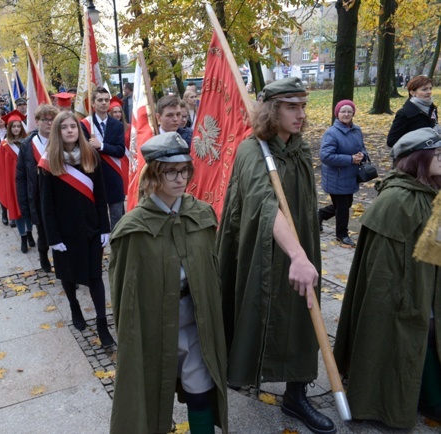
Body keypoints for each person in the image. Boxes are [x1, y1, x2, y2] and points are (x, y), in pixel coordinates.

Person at [216, 77, 335, 434]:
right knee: (257, 309)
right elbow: (264, 204)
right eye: (291, 107)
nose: (300, 114)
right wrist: (297, 254)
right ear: (272, 110)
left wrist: (303, 252)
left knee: (301, 315)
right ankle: (241, 372)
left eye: (303, 106)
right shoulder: (252, 150)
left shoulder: (297, 148)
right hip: (261, 249)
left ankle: (296, 394)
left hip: (299, 246)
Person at [109, 132, 228, 434]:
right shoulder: (133, 229)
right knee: (149, 401)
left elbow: (212, 274)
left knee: (201, 394)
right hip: (154, 328)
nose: (180, 178)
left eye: (185, 170)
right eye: (171, 171)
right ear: (153, 175)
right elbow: (125, 294)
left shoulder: (200, 214)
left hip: (194, 324)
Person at [334, 127, 441, 428]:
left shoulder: (428, 191)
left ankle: (428, 394)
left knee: (430, 327)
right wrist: (410, 300)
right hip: (402, 289)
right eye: (437, 154)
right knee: (417, 329)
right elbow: (384, 270)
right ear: (419, 158)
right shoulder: (397, 201)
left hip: (426, 280)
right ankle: (418, 400)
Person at [38, 111, 114, 347]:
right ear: (57, 132)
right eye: (64, 127)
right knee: (68, 276)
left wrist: (105, 227)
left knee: (95, 277)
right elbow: (46, 206)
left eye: (74, 126)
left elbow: (101, 195)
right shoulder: (48, 162)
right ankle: (74, 307)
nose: (70, 130)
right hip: (65, 232)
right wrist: (52, 237)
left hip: (91, 229)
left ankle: (102, 323)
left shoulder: (91, 156)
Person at [318, 100, 367, 247]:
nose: (346, 114)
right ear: (337, 114)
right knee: (343, 206)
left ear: (353, 114)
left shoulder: (356, 130)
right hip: (336, 176)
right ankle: (342, 234)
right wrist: (350, 159)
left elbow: (362, 148)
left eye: (349, 111)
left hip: (350, 175)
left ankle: (319, 215)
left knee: (346, 203)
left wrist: (362, 155)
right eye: (343, 111)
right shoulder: (331, 133)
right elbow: (325, 156)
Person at [16, 104, 58, 272]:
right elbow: (21, 177)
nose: (49, 123)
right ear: (37, 121)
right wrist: (24, 204)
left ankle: (63, 266)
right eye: (45, 119)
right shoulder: (27, 145)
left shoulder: (60, 141)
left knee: (61, 233)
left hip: (59, 196)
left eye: (52, 119)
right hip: (38, 197)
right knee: (43, 234)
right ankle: (43, 255)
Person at [80, 88, 126, 230]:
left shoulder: (117, 125)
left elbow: (120, 151)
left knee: (117, 218)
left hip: (113, 176)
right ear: (93, 103)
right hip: (93, 175)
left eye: (107, 100)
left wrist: (102, 145)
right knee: (97, 216)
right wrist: (88, 146)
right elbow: (82, 152)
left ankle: (117, 247)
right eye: (100, 100)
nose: (104, 103)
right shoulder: (84, 125)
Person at [0, 110, 35, 252]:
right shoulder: (4, 145)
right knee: (17, 211)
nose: (16, 129)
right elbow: (0, 167)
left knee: (28, 209)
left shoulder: (29, 142)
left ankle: (30, 234)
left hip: (28, 182)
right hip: (13, 183)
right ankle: (23, 237)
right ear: (9, 128)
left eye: (19, 126)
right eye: (14, 126)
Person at [387, 75, 440, 148]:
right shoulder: (404, 113)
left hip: (432, 154)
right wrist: (416, 144)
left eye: (430, 88)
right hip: (413, 157)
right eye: (424, 89)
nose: (429, 92)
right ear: (412, 93)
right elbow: (391, 141)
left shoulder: (432, 108)